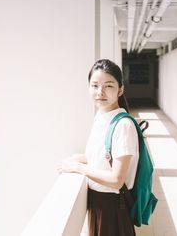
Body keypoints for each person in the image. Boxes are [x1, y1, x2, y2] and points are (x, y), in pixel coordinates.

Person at [59, 59, 139, 236]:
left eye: (108, 86)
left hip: (111, 208)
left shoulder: (123, 125)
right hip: (99, 204)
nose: (100, 92)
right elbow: (102, 157)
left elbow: (116, 180)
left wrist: (78, 168)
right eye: (95, 85)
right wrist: (78, 158)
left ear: (120, 89)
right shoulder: (102, 117)